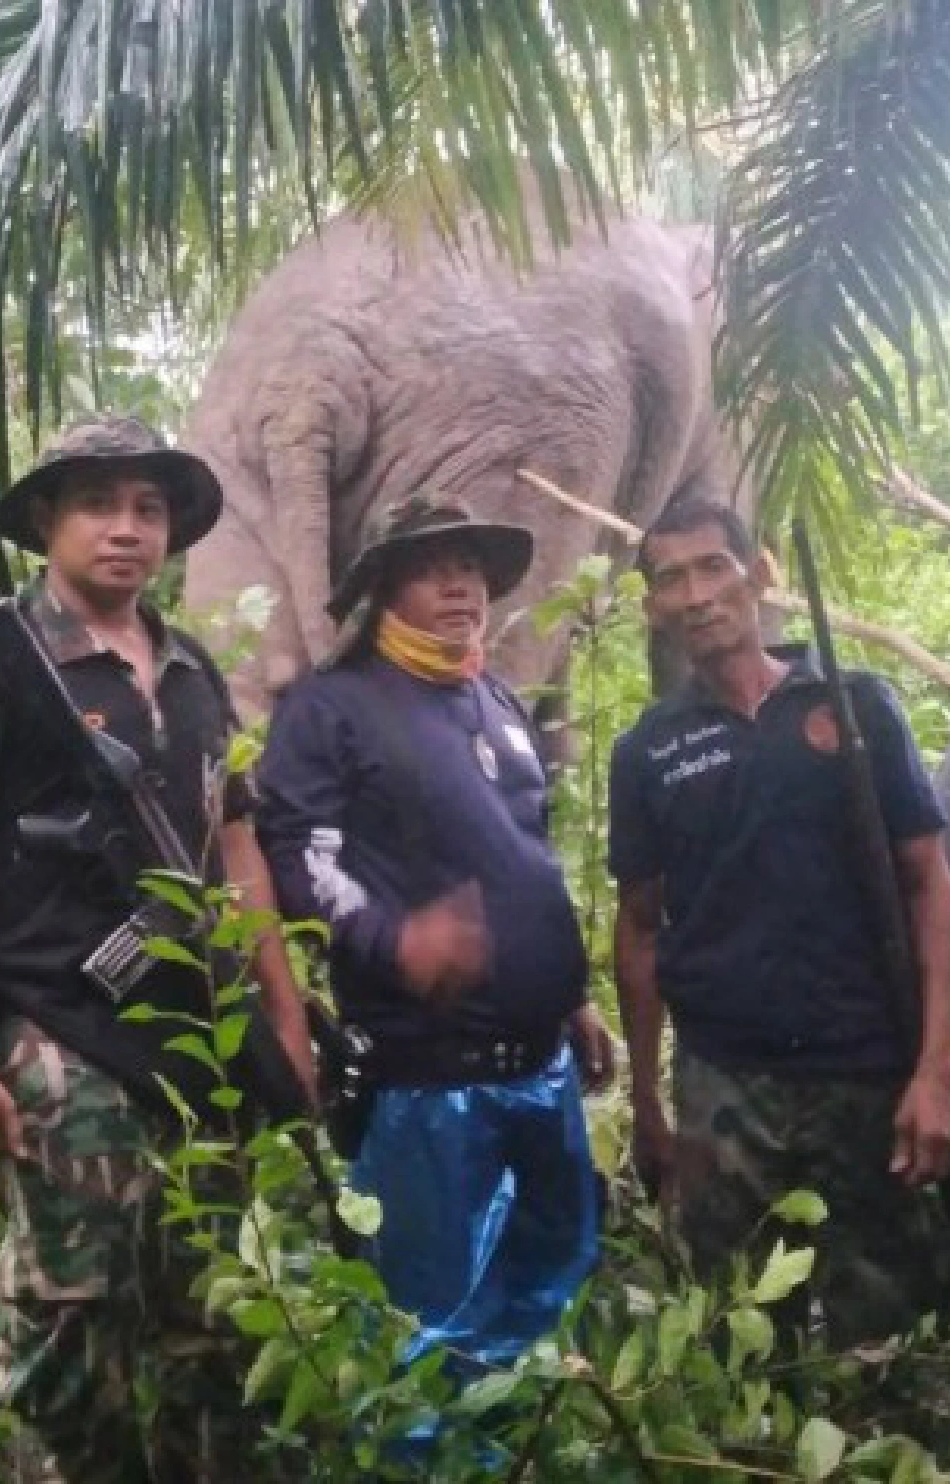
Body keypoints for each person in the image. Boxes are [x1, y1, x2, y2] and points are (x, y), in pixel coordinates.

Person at [0, 414, 315, 1483]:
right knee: (73, 1340)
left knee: (215, 1326)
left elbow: (235, 841)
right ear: (46, 519)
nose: (125, 528)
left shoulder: (190, 672)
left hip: (200, 1047)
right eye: (97, 503)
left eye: (148, 507)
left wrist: (284, 1013)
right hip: (59, 1041)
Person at [255, 494, 612, 1377]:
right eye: (430, 567)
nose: (460, 585)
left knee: (548, 1295)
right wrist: (392, 937)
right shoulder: (330, 707)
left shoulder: (495, 700)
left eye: (470, 566)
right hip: (425, 1080)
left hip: (542, 1066)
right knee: (436, 1327)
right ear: (381, 589)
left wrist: (572, 997)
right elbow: (298, 857)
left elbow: (529, 855)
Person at [608, 498, 950, 1347]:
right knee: (735, 1333)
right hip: (726, 1086)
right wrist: (651, 1105)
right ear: (653, 606)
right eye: (670, 580)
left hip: (865, 1071)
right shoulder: (648, 749)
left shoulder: (856, 706)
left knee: (882, 1328)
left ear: (758, 572)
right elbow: (641, 930)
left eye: (711, 568)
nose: (695, 596)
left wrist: (935, 1071)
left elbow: (929, 884)